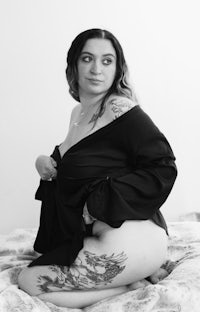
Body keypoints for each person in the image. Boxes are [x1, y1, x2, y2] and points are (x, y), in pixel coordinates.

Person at [18, 28, 177, 308]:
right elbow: (80, 160)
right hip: (109, 241)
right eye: (87, 58)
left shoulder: (119, 108)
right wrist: (44, 161)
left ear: (117, 69)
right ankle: (131, 281)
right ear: (74, 65)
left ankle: (129, 283)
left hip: (135, 239)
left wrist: (97, 203)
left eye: (107, 61)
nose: (96, 69)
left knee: (29, 282)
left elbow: (163, 166)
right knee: (34, 275)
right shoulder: (78, 113)